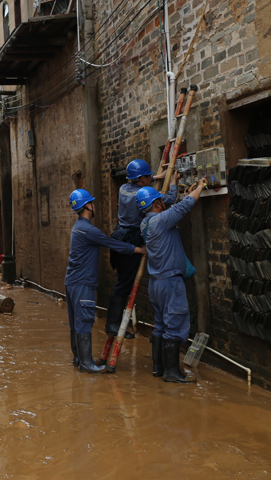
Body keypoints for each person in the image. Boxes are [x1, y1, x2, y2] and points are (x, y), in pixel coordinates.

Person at [65, 189, 146, 373]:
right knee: (84, 321)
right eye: (92, 203)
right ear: (87, 205)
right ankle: (86, 364)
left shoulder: (78, 227)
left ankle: (79, 358)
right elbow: (114, 244)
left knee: (76, 322)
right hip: (82, 283)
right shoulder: (88, 229)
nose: (94, 206)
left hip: (72, 282)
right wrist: (138, 250)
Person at [136, 177, 207, 384]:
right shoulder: (161, 220)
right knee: (174, 326)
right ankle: (172, 373)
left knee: (160, 326)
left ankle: (159, 369)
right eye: (161, 201)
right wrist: (200, 187)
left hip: (155, 283)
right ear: (157, 204)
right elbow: (184, 206)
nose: (164, 202)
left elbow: (174, 207)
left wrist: (177, 185)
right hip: (170, 283)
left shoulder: (145, 223)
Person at [105, 159, 179, 342]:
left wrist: (156, 177)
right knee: (124, 285)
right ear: (143, 179)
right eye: (148, 177)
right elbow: (166, 200)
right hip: (130, 240)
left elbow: (142, 185)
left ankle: (113, 323)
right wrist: (174, 183)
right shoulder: (140, 196)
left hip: (119, 237)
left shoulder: (124, 188)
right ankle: (113, 325)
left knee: (121, 283)